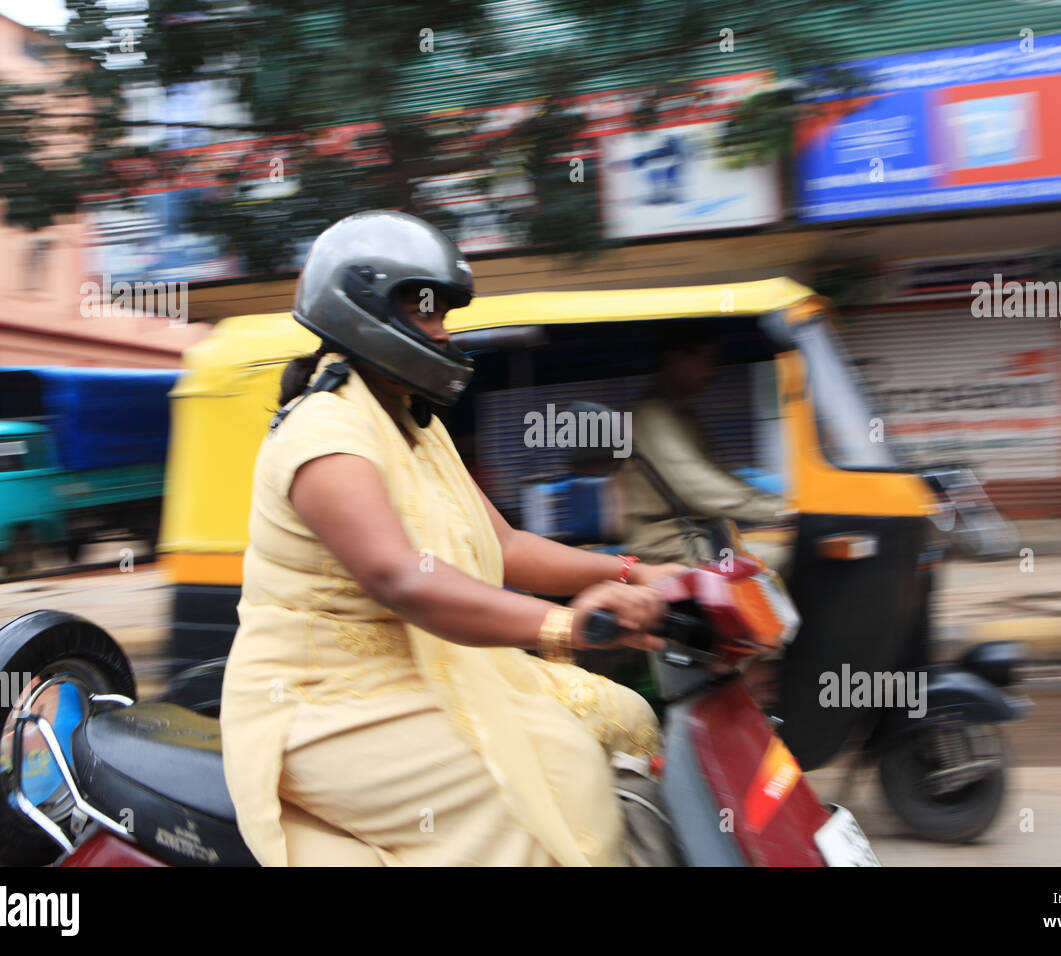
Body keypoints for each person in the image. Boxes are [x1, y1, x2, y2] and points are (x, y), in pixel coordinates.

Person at [219, 211, 686, 866]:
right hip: (328, 706)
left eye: (443, 314)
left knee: (627, 716)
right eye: (425, 312)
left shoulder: (417, 424)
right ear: (361, 311)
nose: (443, 332)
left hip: (426, 669)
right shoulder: (323, 430)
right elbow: (402, 580)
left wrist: (634, 573)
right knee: (561, 779)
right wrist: (569, 628)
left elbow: (509, 548)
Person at [617, 325, 788, 569]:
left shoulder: (680, 413)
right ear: (673, 358)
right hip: (672, 547)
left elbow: (717, 474)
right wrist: (778, 509)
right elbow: (699, 487)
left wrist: (777, 504)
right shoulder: (653, 416)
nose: (712, 371)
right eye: (706, 359)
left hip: (702, 537)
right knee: (783, 559)